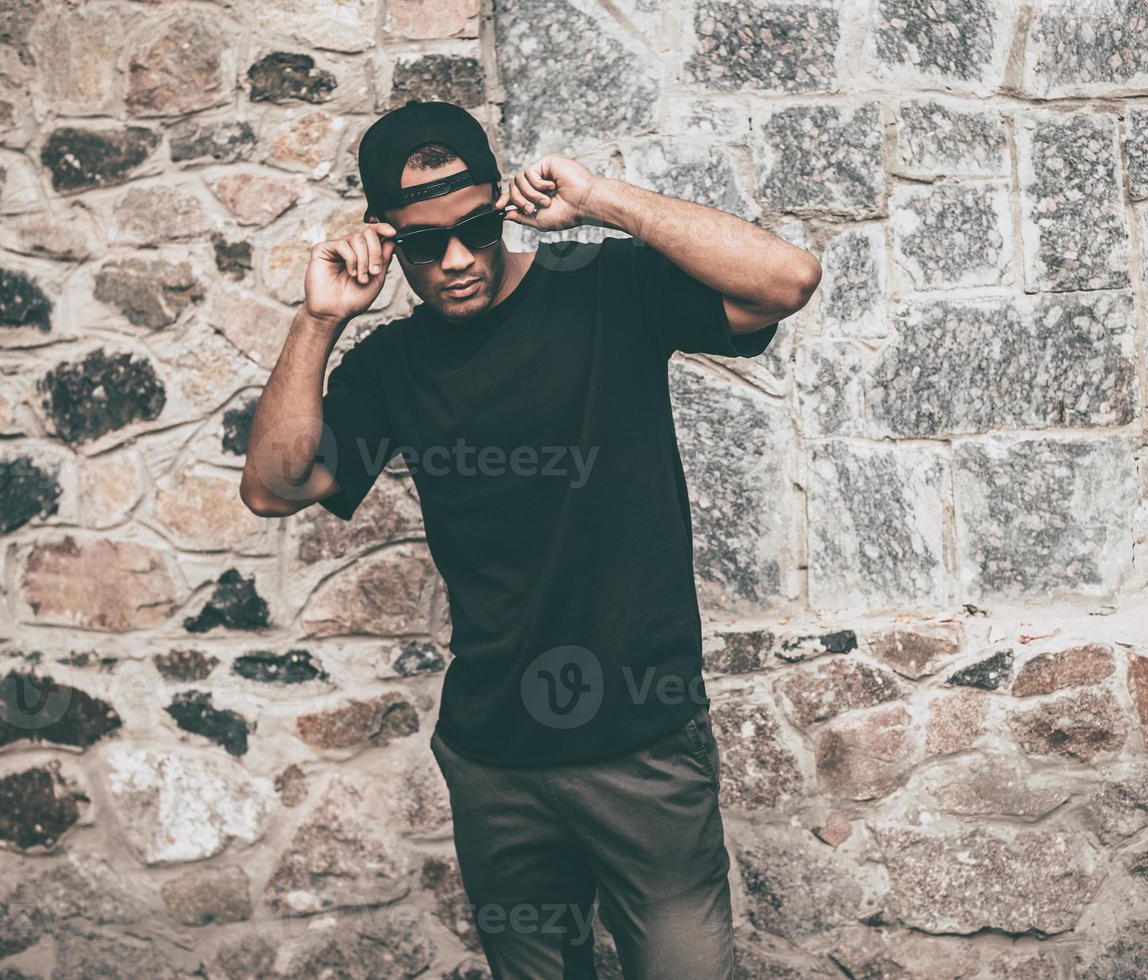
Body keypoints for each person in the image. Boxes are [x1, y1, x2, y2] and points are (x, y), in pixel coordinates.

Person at [240, 100, 821, 979]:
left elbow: (785, 281)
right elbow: (273, 488)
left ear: (500, 207)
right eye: (424, 245)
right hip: (494, 759)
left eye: (475, 227)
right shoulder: (391, 366)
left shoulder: (606, 287)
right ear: (385, 243)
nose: (459, 260)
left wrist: (602, 201)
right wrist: (319, 321)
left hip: (642, 744)